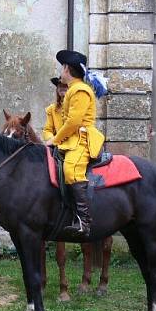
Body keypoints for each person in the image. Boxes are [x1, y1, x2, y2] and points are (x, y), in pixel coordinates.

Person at [43, 50, 105, 239]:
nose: (61, 71)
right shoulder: (72, 90)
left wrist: (55, 139)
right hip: (71, 140)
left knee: (71, 169)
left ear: (67, 69)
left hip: (82, 140)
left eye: (62, 67)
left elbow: (73, 122)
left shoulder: (80, 90)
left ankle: (84, 222)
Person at [42, 76, 68, 141]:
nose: (62, 88)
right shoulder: (51, 109)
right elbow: (47, 131)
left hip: (74, 142)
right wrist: (53, 139)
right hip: (57, 142)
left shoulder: (75, 106)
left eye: (65, 86)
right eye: (60, 86)